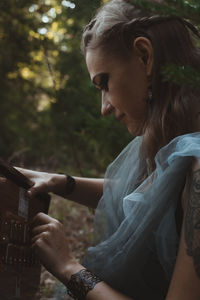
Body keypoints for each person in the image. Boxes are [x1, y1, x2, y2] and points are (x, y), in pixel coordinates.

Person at [18, 0, 200, 299]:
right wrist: (61, 182)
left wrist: (67, 267)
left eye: (105, 83)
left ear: (145, 57)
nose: (104, 107)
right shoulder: (177, 140)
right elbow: (145, 198)